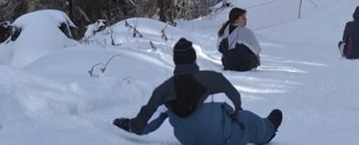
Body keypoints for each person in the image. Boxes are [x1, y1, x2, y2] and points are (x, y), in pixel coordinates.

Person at [112, 38, 282, 145]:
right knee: (244, 119)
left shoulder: (164, 90)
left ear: (176, 62)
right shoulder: (214, 80)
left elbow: (146, 124)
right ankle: (268, 128)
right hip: (222, 140)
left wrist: (130, 125)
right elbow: (235, 105)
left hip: (188, 141)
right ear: (194, 59)